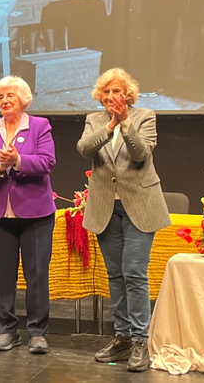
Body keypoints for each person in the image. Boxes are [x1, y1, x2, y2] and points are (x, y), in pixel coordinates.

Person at [76, 68, 170, 372]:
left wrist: (125, 123)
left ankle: (141, 340)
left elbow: (141, 154)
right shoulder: (95, 120)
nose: (111, 97)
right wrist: (109, 127)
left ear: (127, 95)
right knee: (115, 275)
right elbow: (83, 148)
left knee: (134, 272)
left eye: (117, 91)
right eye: (106, 92)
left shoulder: (145, 116)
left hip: (139, 206)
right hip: (105, 206)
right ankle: (123, 336)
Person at [0, 76, 56, 354]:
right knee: (4, 275)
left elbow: (47, 161)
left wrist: (17, 161)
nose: (5, 101)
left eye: (11, 96)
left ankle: (37, 332)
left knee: (36, 274)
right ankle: (7, 330)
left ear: (23, 99)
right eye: (1, 97)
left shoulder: (39, 126)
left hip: (36, 213)